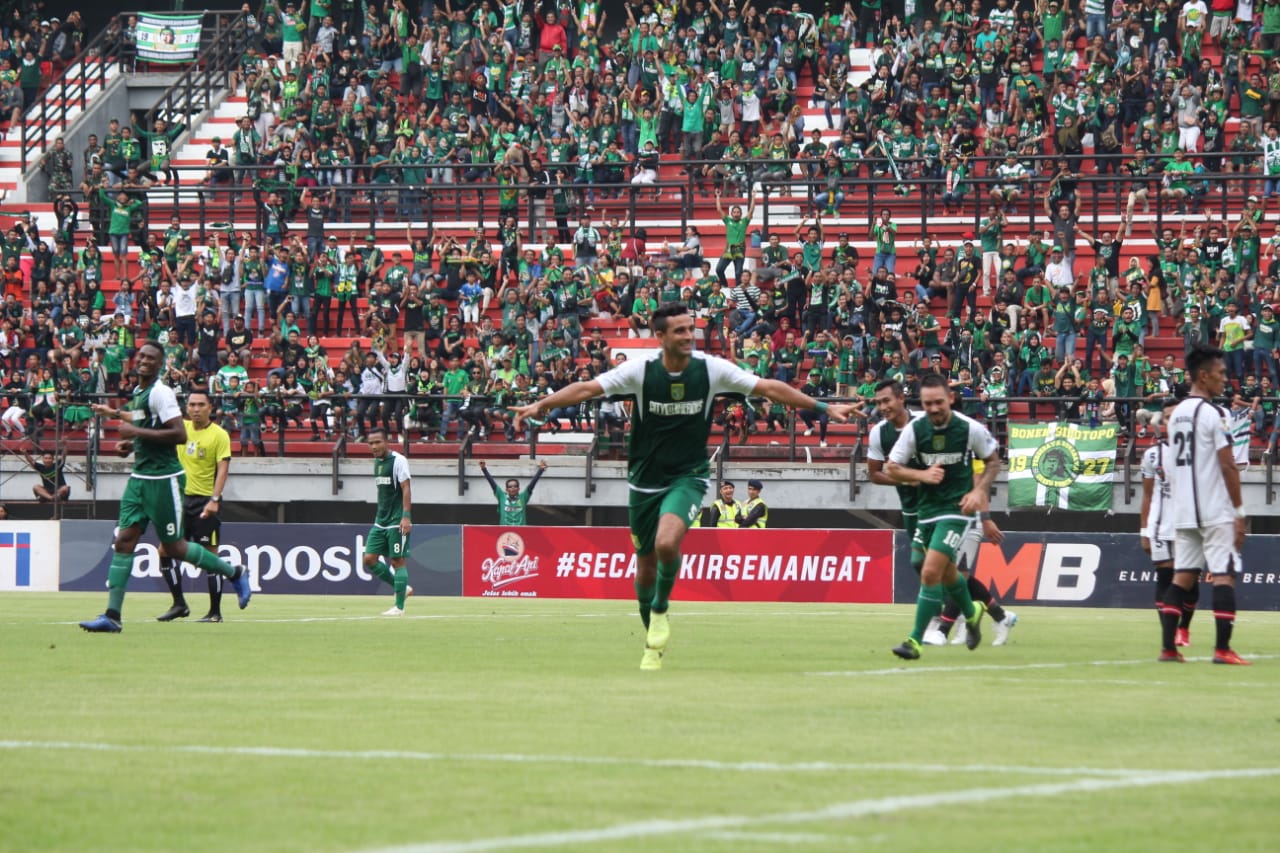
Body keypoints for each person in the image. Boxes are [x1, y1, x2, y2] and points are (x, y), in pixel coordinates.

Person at [511, 303, 858, 670]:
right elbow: (585, 388)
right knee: (643, 567)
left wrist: (823, 407)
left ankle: (661, 608)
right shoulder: (640, 372)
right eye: (679, 330)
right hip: (644, 480)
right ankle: (652, 641)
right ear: (659, 336)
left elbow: (768, 387)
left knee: (666, 542)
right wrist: (541, 405)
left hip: (688, 475)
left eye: (690, 328)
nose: (688, 335)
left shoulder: (710, 369)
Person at [79, 342, 251, 633]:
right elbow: (148, 427)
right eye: (142, 356)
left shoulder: (161, 392)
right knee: (124, 541)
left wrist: (134, 432)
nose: (145, 361)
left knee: (174, 547)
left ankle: (234, 572)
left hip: (164, 480)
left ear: (160, 365)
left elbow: (178, 434)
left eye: (152, 358)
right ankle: (111, 616)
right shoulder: (138, 394)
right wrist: (131, 444)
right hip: (139, 479)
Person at [886, 373, 1000, 660]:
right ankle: (972, 612)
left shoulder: (969, 428)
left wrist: (979, 493)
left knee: (929, 571)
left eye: (939, 402)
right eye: (927, 404)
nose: (934, 409)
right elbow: (892, 468)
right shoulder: (915, 430)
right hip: (927, 510)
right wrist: (921, 474)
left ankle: (915, 640)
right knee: (947, 572)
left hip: (956, 509)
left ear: (951, 398)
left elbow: (993, 461)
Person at [1160, 345, 1249, 664]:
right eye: (1221, 373)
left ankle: (1168, 649)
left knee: (1182, 577)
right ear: (1204, 375)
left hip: (1183, 510)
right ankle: (1222, 650)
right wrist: (1239, 512)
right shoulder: (1215, 414)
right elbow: (1227, 465)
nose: (1225, 379)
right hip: (1214, 509)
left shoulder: (1177, 414)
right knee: (1224, 576)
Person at [155, 390, 233, 624]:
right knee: (163, 551)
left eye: (201, 404)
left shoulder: (219, 435)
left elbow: (223, 469)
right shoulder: (181, 430)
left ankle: (215, 612)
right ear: (186, 408)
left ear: (211, 408)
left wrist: (215, 499)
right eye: (191, 404)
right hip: (179, 500)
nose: (196, 409)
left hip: (204, 501)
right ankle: (179, 603)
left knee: (210, 556)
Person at [1140, 398, 1196, 648]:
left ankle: (1184, 627)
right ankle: (1169, 634)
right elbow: (1148, 495)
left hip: (1191, 526)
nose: (1170, 421)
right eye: (1166, 417)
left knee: (1189, 582)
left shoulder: (1197, 452)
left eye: (1174, 417)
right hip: (1161, 527)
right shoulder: (1152, 455)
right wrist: (1144, 531)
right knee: (1164, 579)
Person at [364, 428, 413, 616]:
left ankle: (399, 607)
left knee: (397, 561)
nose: (374, 446)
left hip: (397, 520)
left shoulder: (398, 461)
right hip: (381, 520)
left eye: (378, 442)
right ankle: (403, 588)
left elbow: (406, 487)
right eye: (371, 443)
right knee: (369, 559)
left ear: (386, 442)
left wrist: (406, 516)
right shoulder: (377, 462)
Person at [478, 459, 547, 526]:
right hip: (504, 533)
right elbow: (492, 484)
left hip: (521, 534)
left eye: (515, 486)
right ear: (506, 489)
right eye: (510, 487)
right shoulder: (502, 496)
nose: (513, 488)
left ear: (519, 489)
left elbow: (532, 485)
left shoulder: (523, 497)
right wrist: (484, 469)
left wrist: (540, 470)